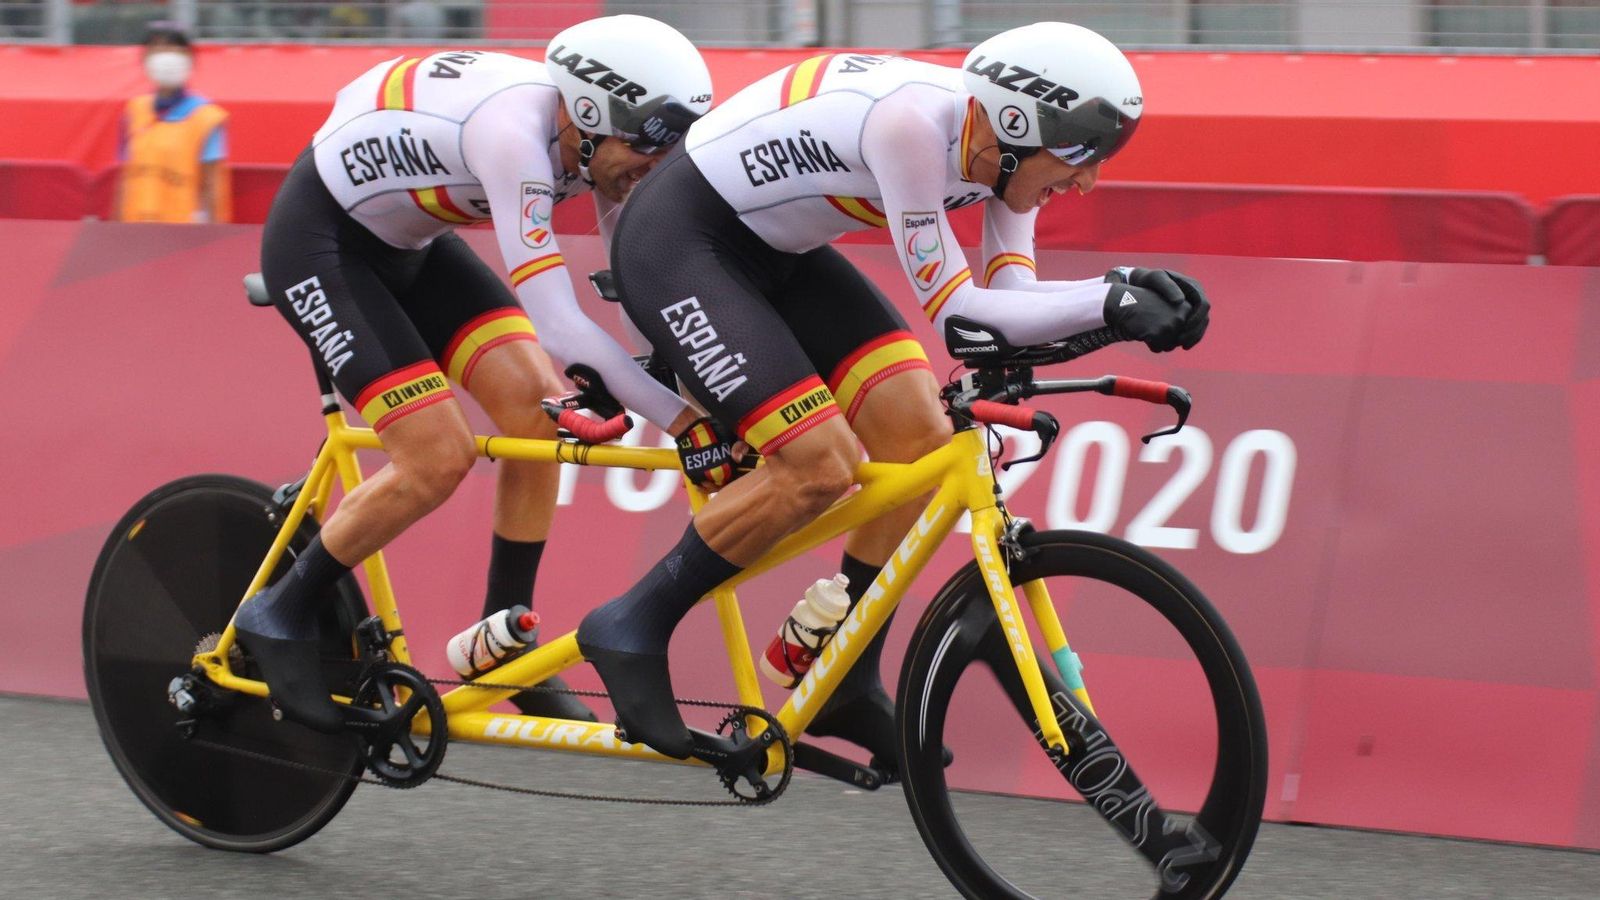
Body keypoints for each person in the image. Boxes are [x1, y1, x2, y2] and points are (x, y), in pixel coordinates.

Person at [574, 22, 1211, 762]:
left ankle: (842, 673)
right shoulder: (910, 126)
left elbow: (1012, 296)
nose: (1087, 180)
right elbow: (962, 315)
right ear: (1014, 121)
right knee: (819, 464)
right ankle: (632, 623)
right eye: (1078, 155)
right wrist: (1110, 302)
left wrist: (1125, 289)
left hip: (778, 252)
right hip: (678, 244)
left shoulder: (1001, 152)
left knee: (922, 446)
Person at [238, 15, 717, 732]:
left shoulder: (597, 146)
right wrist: (685, 424)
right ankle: (278, 613)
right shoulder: (512, 136)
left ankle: (502, 642)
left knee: (538, 413)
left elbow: (634, 279)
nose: (656, 162)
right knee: (437, 455)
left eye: (671, 144)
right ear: (588, 114)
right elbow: (559, 324)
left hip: (413, 244)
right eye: (647, 142)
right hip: (321, 243)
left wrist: (668, 384)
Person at [115, 23, 230, 224]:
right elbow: (125, 180)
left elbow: (212, 188)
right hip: (135, 228)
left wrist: (215, 236)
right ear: (144, 58)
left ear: (190, 58)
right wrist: (115, 230)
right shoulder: (134, 111)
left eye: (174, 48)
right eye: (157, 49)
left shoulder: (206, 117)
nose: (166, 56)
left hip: (183, 232)